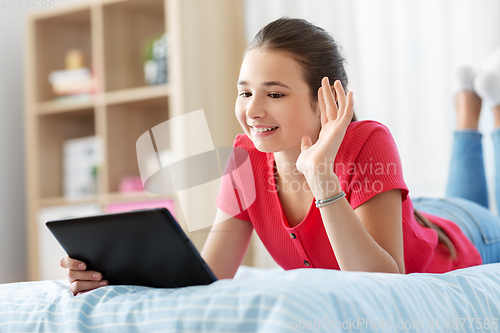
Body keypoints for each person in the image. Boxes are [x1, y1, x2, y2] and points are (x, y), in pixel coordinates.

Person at [60, 17, 499, 296]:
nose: (252, 110)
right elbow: (211, 276)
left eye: (274, 93)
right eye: (245, 92)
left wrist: (322, 178)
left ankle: (481, 112)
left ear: (327, 100)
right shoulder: (245, 158)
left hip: (464, 234)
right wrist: (112, 275)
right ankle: (473, 108)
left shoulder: (367, 141)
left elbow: (383, 283)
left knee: (480, 210)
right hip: (411, 214)